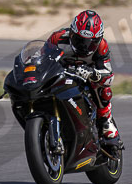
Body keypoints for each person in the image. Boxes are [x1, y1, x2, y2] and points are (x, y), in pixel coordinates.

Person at [47, 10, 119, 140]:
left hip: (87, 80)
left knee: (104, 89)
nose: (84, 47)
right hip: (61, 76)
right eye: (79, 40)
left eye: (90, 43)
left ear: (98, 39)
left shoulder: (102, 46)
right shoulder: (57, 38)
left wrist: (93, 74)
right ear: (71, 33)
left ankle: (105, 121)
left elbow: (109, 75)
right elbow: (43, 58)